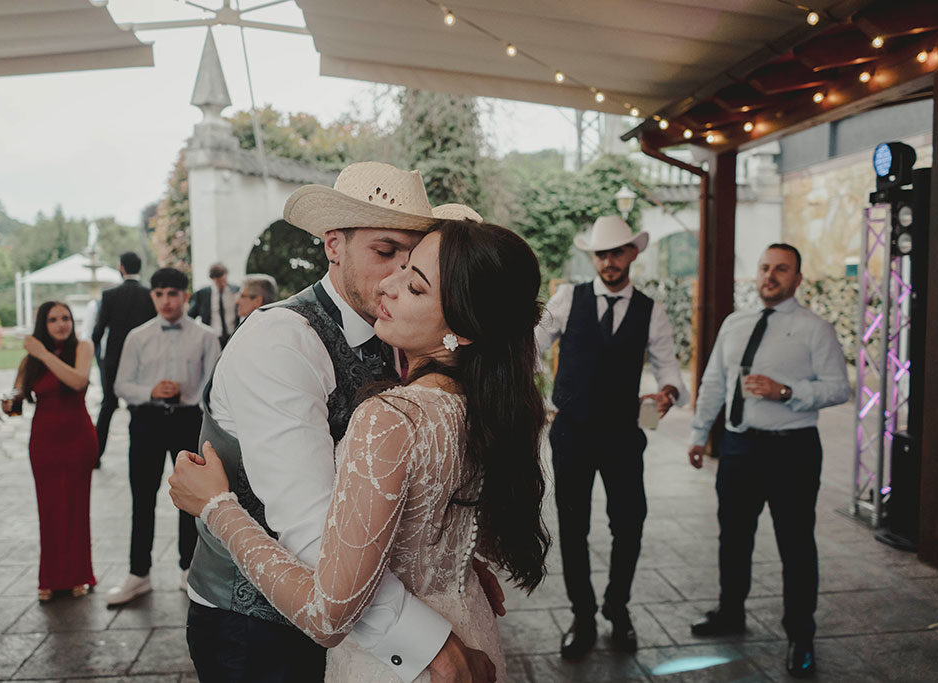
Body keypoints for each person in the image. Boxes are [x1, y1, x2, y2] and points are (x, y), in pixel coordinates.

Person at [170, 217, 549, 683]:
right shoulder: (283, 339)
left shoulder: (401, 376)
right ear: (334, 246)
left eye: (413, 276)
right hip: (262, 632)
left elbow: (330, 590)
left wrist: (214, 506)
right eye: (386, 254)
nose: (391, 283)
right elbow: (320, 526)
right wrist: (437, 604)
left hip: (386, 639)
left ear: (464, 324)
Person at [687, 244, 850, 679]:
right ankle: (730, 611)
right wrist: (700, 434)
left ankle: (801, 635)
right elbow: (715, 382)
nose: (770, 276)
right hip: (739, 447)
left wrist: (788, 391)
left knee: (795, 543)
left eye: (781, 269)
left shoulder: (815, 329)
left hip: (792, 450)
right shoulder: (734, 323)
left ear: (797, 279)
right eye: (764, 268)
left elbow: (839, 388)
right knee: (733, 537)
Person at [535, 215, 689, 658]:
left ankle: (617, 609)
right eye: (602, 254)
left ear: (632, 254)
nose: (609, 261)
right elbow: (531, 345)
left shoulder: (650, 309)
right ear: (594, 258)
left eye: (617, 252)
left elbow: (668, 365)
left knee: (629, 523)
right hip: (572, 432)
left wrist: (669, 391)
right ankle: (582, 616)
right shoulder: (568, 298)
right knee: (573, 525)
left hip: (624, 433)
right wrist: (531, 390)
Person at [106, 267, 221, 606]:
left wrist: (190, 396)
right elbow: (121, 385)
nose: (166, 301)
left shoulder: (205, 336)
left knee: (191, 498)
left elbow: (213, 386)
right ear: (152, 296)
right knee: (142, 497)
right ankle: (137, 573)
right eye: (159, 294)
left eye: (173, 293)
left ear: (185, 296)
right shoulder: (137, 337)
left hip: (187, 422)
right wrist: (150, 390)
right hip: (147, 421)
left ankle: (189, 569)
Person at [2, 301, 97, 602]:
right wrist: (9, 403)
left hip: (78, 437)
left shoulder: (82, 347)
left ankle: (79, 574)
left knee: (76, 507)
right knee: (49, 508)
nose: (61, 324)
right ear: (44, 324)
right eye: (53, 319)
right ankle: (50, 577)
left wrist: (42, 353)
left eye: (66, 318)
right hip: (43, 439)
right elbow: (17, 396)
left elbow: (78, 380)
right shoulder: (29, 360)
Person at [92, 252, 156, 465]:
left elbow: (99, 330)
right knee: (139, 409)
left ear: (122, 268)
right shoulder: (149, 294)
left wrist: (97, 357)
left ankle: (95, 456)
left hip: (113, 361)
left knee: (108, 406)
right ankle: (142, 455)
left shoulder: (109, 295)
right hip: (141, 362)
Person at [188, 262, 239, 347]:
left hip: (233, 337)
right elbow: (190, 317)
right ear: (212, 279)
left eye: (223, 280)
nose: (222, 284)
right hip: (212, 339)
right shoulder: (202, 294)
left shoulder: (236, 290)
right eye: (218, 282)